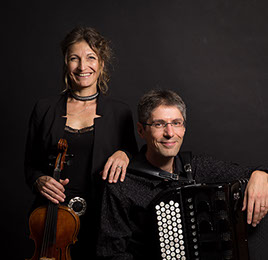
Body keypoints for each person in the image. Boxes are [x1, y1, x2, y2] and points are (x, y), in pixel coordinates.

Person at [97, 89, 268, 260]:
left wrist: (261, 175)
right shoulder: (121, 183)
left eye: (177, 123)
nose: (170, 133)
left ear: (184, 128)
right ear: (141, 131)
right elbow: (111, 254)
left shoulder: (197, 167)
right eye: (159, 124)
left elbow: (251, 172)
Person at [24, 26, 138, 259]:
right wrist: (39, 180)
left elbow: (135, 166)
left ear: (102, 64)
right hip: (53, 221)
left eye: (91, 58)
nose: (82, 66)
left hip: (103, 220)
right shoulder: (44, 108)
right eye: (74, 58)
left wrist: (126, 154)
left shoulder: (120, 112)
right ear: (66, 63)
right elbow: (30, 165)